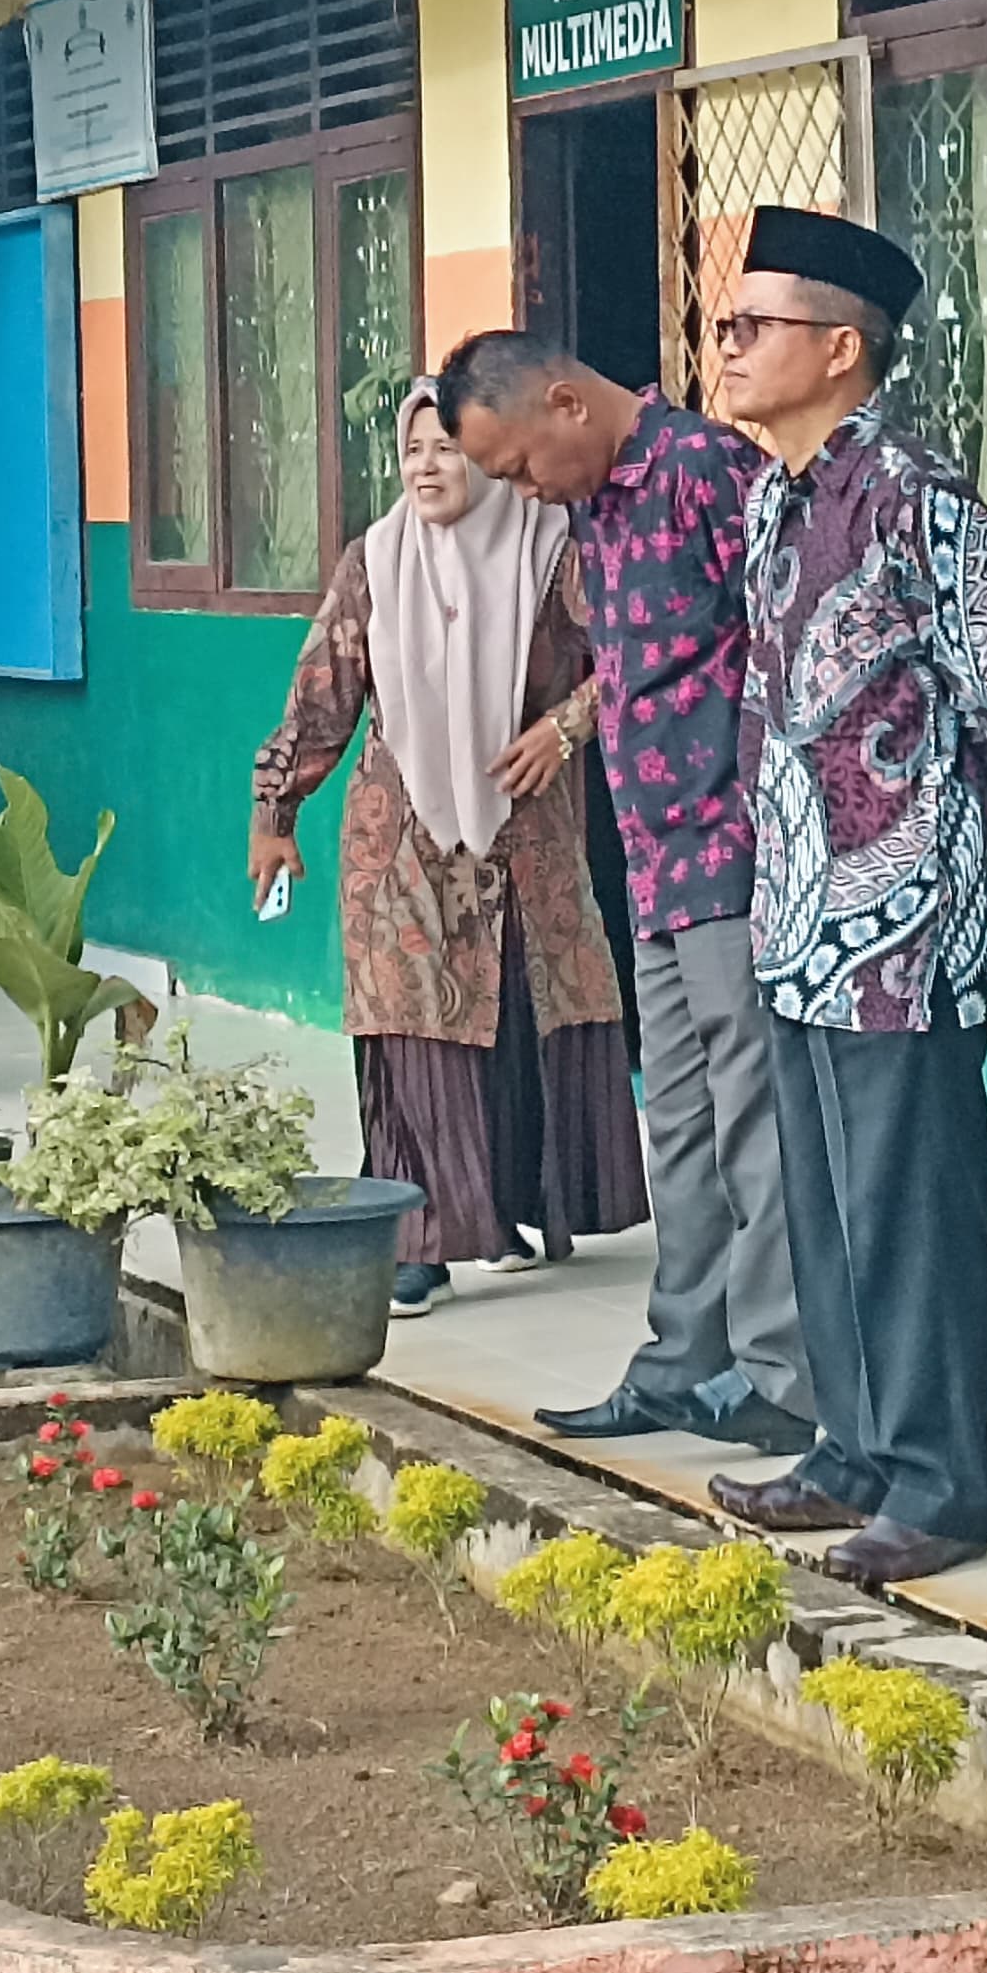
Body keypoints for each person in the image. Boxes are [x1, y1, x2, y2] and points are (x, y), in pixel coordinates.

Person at [698, 207, 987, 1590]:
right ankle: (852, 1446)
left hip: (904, 917)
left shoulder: (919, 493)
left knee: (911, 1200)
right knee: (827, 1196)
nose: (724, 349)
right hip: (795, 908)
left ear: (842, 349)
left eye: (750, 327)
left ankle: (941, 1481)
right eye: (722, 325)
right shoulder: (774, 495)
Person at [435, 327, 815, 1458]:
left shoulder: (706, 470)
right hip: (652, 859)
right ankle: (680, 1361)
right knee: (683, 1125)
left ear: (564, 401)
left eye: (514, 466)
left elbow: (785, 640)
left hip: (733, 848)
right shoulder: (591, 505)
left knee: (756, 1125)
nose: (519, 490)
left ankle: (780, 1374)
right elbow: (632, 668)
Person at [250, 383, 649, 1308]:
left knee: (517, 1011)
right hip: (399, 837)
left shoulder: (552, 553)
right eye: (415, 450)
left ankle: (500, 1208)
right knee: (412, 1028)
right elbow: (321, 695)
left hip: (525, 826)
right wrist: (276, 812)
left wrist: (563, 729)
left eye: (448, 448)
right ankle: (415, 1239)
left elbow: (626, 657)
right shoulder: (375, 562)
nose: (427, 467)